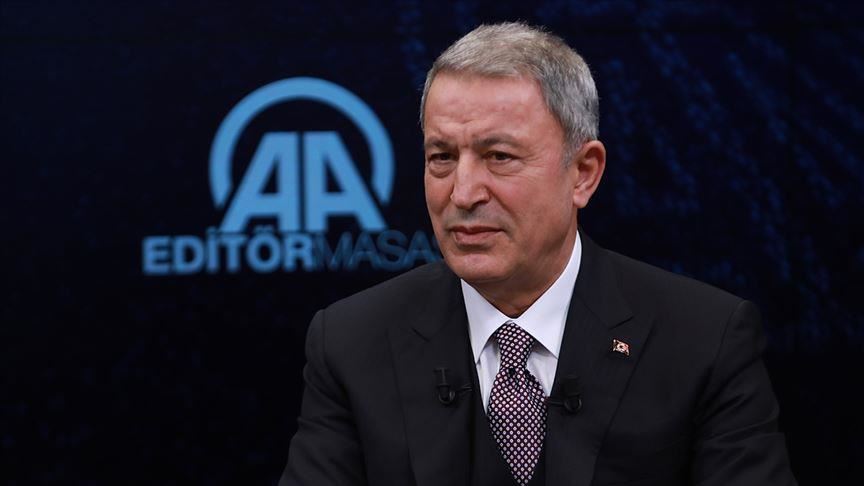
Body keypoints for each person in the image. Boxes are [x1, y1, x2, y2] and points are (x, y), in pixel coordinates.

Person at [279, 22, 797, 486]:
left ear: (583, 174)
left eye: (499, 156)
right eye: (442, 157)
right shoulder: (350, 343)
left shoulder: (704, 340)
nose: (463, 192)